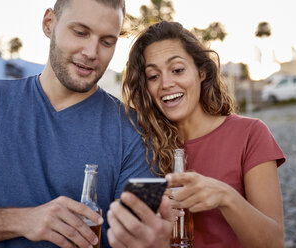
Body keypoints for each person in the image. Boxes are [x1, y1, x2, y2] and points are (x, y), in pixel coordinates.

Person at [0, 0, 171, 247]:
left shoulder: (133, 131)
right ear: (49, 24)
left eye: (107, 41)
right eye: (80, 32)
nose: (91, 52)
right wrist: (18, 220)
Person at [119, 20, 286, 248]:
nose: (166, 83)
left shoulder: (250, 134)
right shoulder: (142, 144)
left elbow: (273, 243)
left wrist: (225, 196)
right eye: (153, 76)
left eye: (177, 70)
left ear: (202, 72)